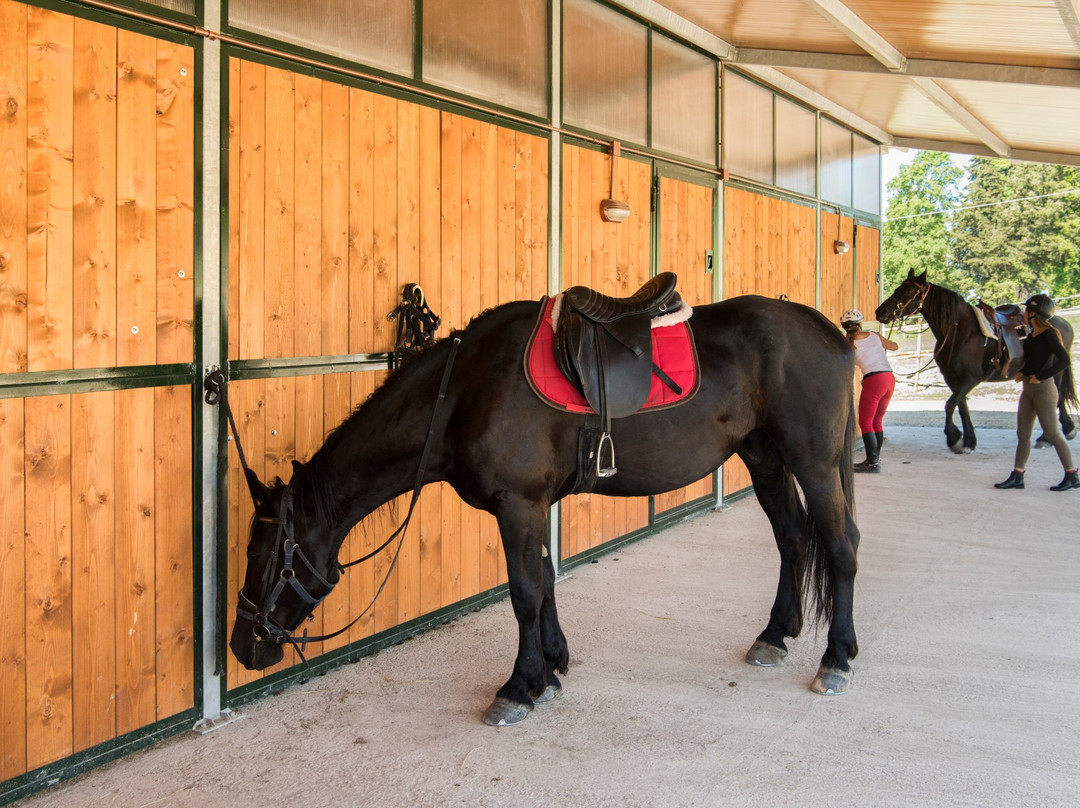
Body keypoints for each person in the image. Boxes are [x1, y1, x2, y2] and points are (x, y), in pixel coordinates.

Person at [994, 294, 1078, 492]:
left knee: (1052, 433)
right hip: (1028, 389)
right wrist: (1023, 372)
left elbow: (1064, 361)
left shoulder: (1050, 335)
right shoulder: (1032, 334)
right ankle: (1018, 475)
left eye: (1026, 311)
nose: (1023, 314)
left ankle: (1072, 475)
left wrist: (1041, 376)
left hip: (1044, 390)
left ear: (1034, 314)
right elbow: (1032, 360)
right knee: (1023, 434)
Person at [840, 309, 898, 473]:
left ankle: (872, 463)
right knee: (877, 420)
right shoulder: (874, 335)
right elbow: (894, 346)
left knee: (866, 422)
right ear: (860, 323)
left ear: (845, 327)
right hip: (889, 378)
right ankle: (875, 460)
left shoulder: (848, 344)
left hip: (873, 380)